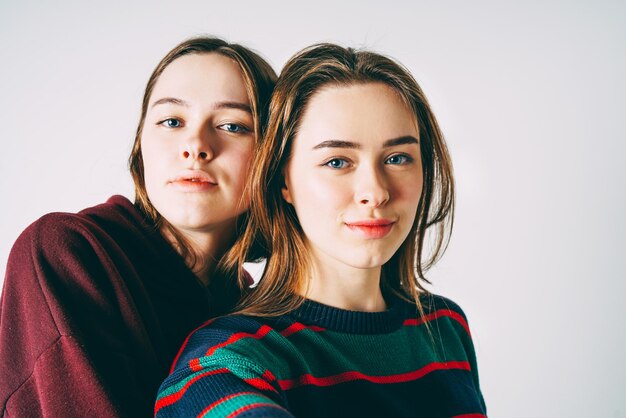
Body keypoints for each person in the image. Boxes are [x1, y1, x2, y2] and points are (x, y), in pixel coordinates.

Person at [155, 44, 486, 418]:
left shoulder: (445, 329)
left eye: (397, 158)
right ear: (284, 180)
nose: (375, 192)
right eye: (337, 161)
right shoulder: (230, 359)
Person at [0, 37, 276, 417]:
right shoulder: (68, 252)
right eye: (172, 121)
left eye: (232, 125)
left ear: (272, 156)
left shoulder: (259, 308)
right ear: (140, 144)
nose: (196, 145)